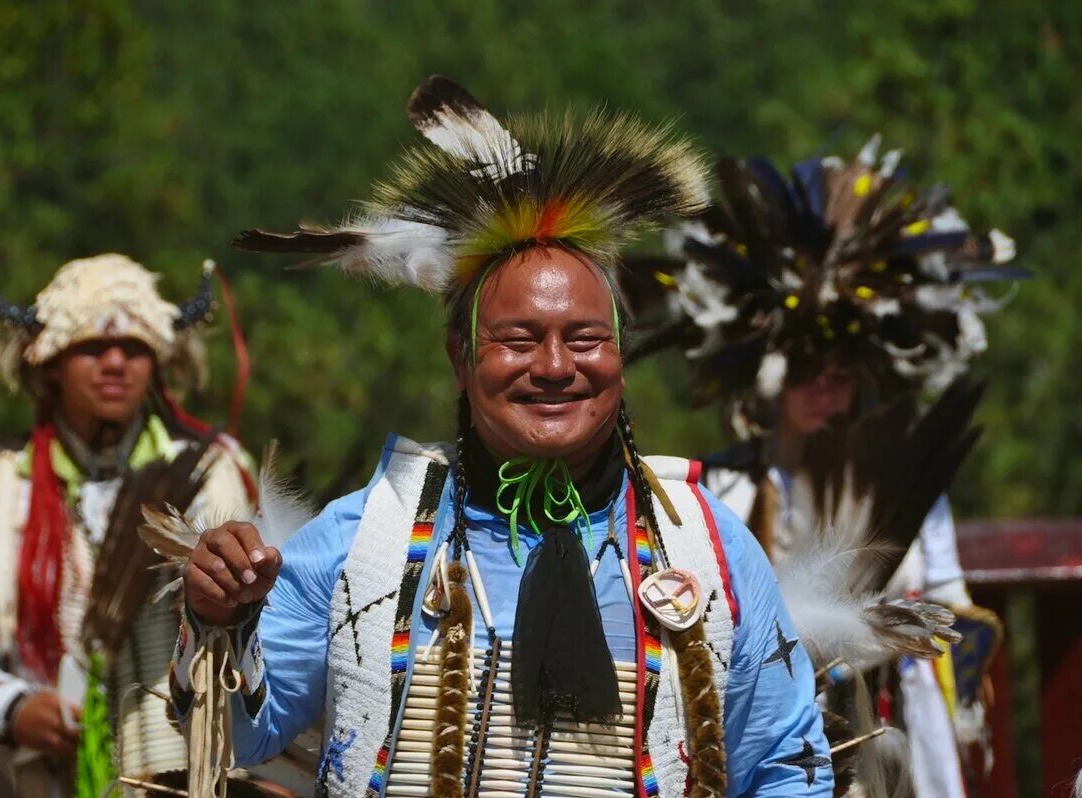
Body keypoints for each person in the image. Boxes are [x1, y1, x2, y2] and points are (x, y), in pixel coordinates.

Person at [168, 76, 834, 797]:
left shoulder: (710, 554)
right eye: (518, 340)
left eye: (584, 339)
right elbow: (235, 733)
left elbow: (784, 769)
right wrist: (216, 620)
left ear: (620, 357)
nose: (554, 367)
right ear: (462, 358)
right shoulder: (366, 539)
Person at [622, 138, 1022, 796]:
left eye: (840, 376)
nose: (824, 392)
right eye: (806, 372)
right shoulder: (717, 490)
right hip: (757, 743)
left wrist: (925, 639)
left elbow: (958, 616)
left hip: (887, 745)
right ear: (769, 381)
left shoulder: (909, 492)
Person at [0, 254, 256, 796]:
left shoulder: (216, 476)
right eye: (90, 347)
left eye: (135, 348)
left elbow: (273, 630)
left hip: (189, 770)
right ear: (49, 363)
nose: (115, 362)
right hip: (39, 777)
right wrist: (12, 708)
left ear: (159, 360)